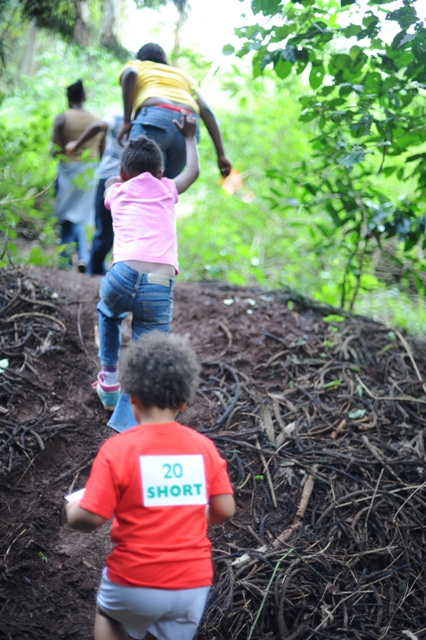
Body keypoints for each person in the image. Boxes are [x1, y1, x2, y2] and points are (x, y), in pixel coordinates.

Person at [65, 331, 235, 640]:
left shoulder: (119, 449)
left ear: (132, 398)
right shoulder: (203, 447)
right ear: (184, 402)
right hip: (193, 584)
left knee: (109, 616)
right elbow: (225, 509)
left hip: (135, 580)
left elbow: (90, 518)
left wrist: (71, 509)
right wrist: (189, 509)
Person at [93, 113, 199, 433]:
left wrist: (114, 179)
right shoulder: (167, 189)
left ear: (124, 173)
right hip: (159, 283)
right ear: (161, 172)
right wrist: (190, 137)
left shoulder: (118, 191)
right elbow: (193, 172)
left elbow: (109, 186)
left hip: (122, 274)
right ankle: (125, 426)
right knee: (146, 353)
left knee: (108, 313)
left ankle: (109, 379)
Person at [117, 42, 232, 179]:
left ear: (140, 58)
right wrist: (221, 154)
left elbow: (130, 73)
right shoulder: (183, 76)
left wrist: (126, 121)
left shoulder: (139, 65)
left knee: (136, 182)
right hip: (187, 124)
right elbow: (206, 110)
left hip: (155, 117)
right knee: (166, 188)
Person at [51, 79, 103, 272]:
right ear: (84, 97)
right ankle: (83, 256)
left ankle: (65, 262)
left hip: (67, 171)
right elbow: (101, 150)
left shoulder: (62, 118)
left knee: (66, 215)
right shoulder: (96, 119)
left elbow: (55, 149)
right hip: (90, 171)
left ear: (68, 98)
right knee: (80, 215)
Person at [66, 113, 124, 275]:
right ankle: (96, 268)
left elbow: (99, 126)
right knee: (111, 229)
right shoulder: (143, 119)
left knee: (104, 229)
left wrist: (77, 144)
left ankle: (96, 268)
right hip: (124, 179)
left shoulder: (118, 115)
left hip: (109, 176)